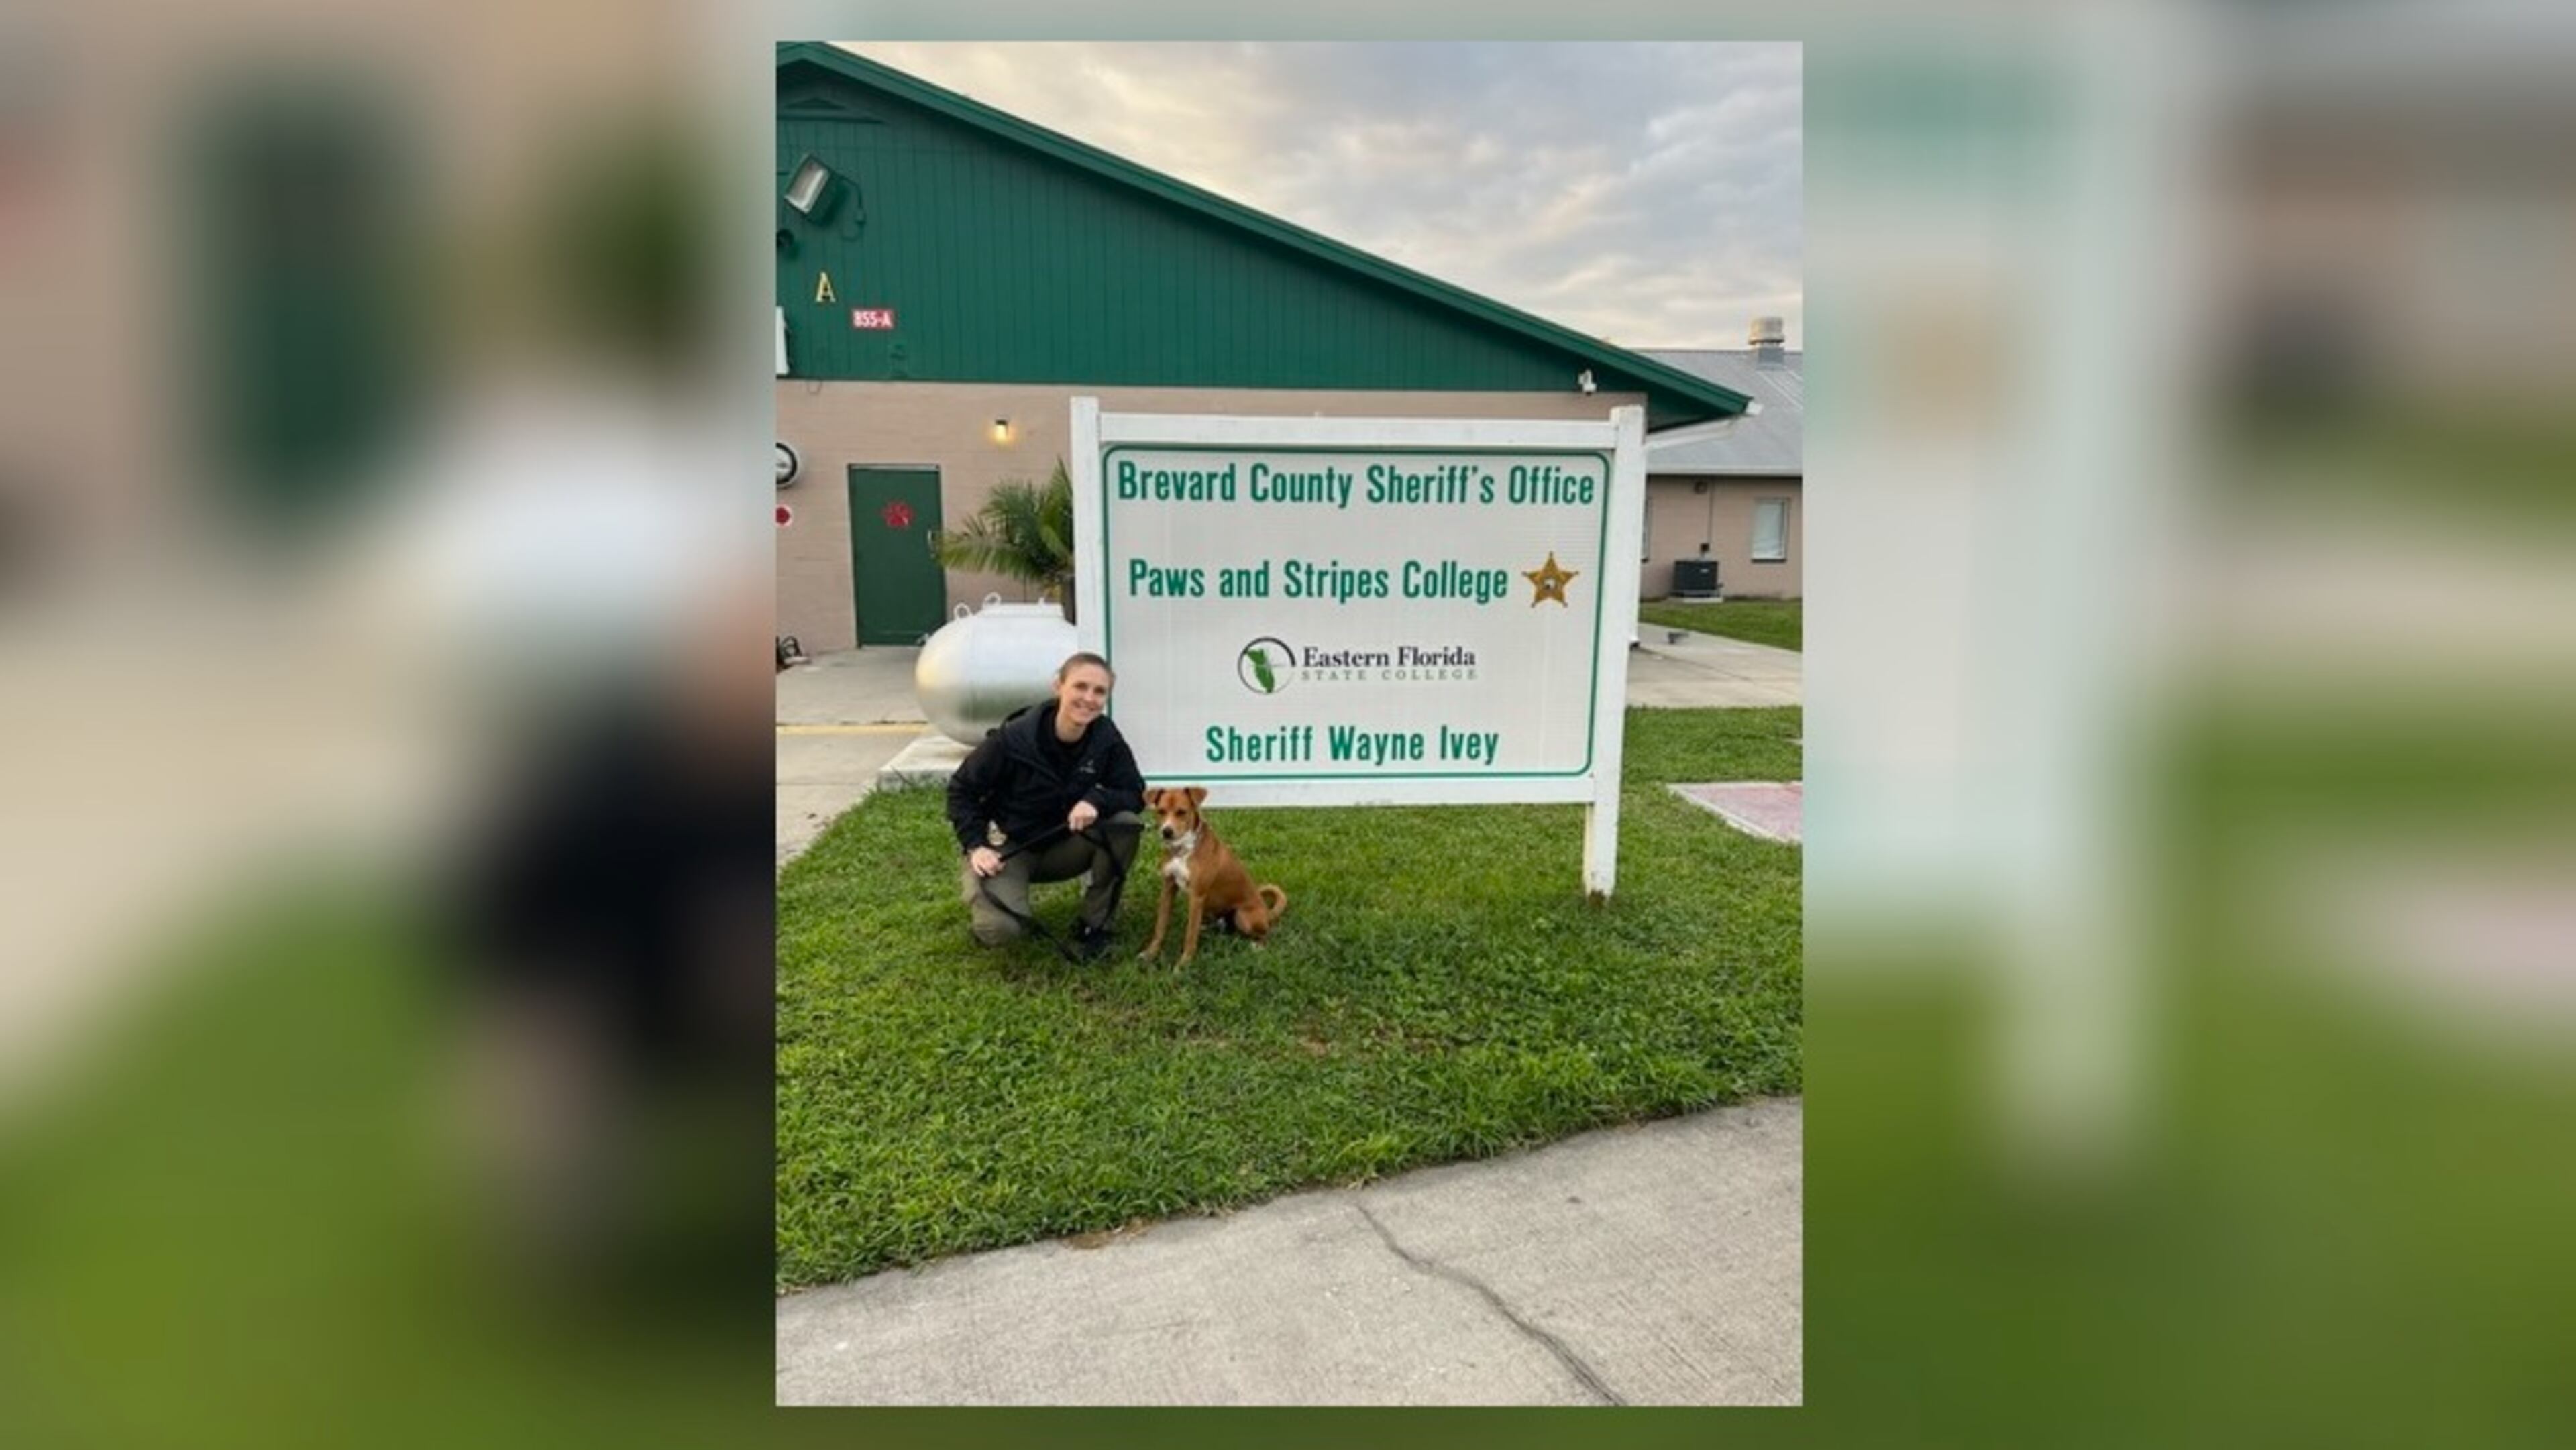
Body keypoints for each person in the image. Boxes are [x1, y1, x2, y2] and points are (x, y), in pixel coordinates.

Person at [946, 652, 1146, 956]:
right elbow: (961, 791)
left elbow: (1134, 791)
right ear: (1058, 686)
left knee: (1125, 825)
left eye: (1099, 691)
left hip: (1065, 846)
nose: (1089, 698)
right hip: (1009, 849)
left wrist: (1096, 801)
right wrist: (976, 845)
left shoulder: (1105, 737)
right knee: (1001, 931)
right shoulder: (1013, 738)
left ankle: (1094, 925)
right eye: (1080, 686)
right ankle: (991, 906)